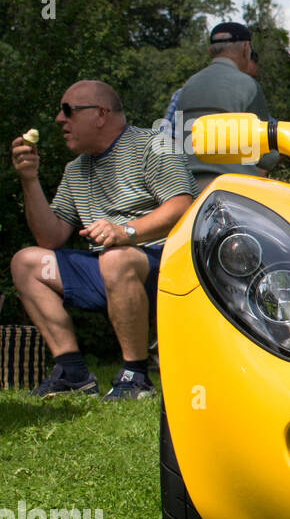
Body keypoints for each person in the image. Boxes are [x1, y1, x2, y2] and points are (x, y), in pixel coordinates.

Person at [9, 81, 195, 400]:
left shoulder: (153, 145)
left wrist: (127, 232)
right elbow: (49, 237)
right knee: (25, 263)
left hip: (165, 266)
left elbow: (182, 204)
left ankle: (135, 377)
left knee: (116, 256)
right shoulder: (75, 170)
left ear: (100, 114)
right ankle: (72, 372)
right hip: (110, 267)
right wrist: (30, 179)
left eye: (68, 110)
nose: (59, 119)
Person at [171, 21, 277, 190]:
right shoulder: (247, 85)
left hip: (189, 188)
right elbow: (267, 153)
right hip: (234, 190)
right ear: (246, 48)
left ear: (210, 52)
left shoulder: (187, 87)